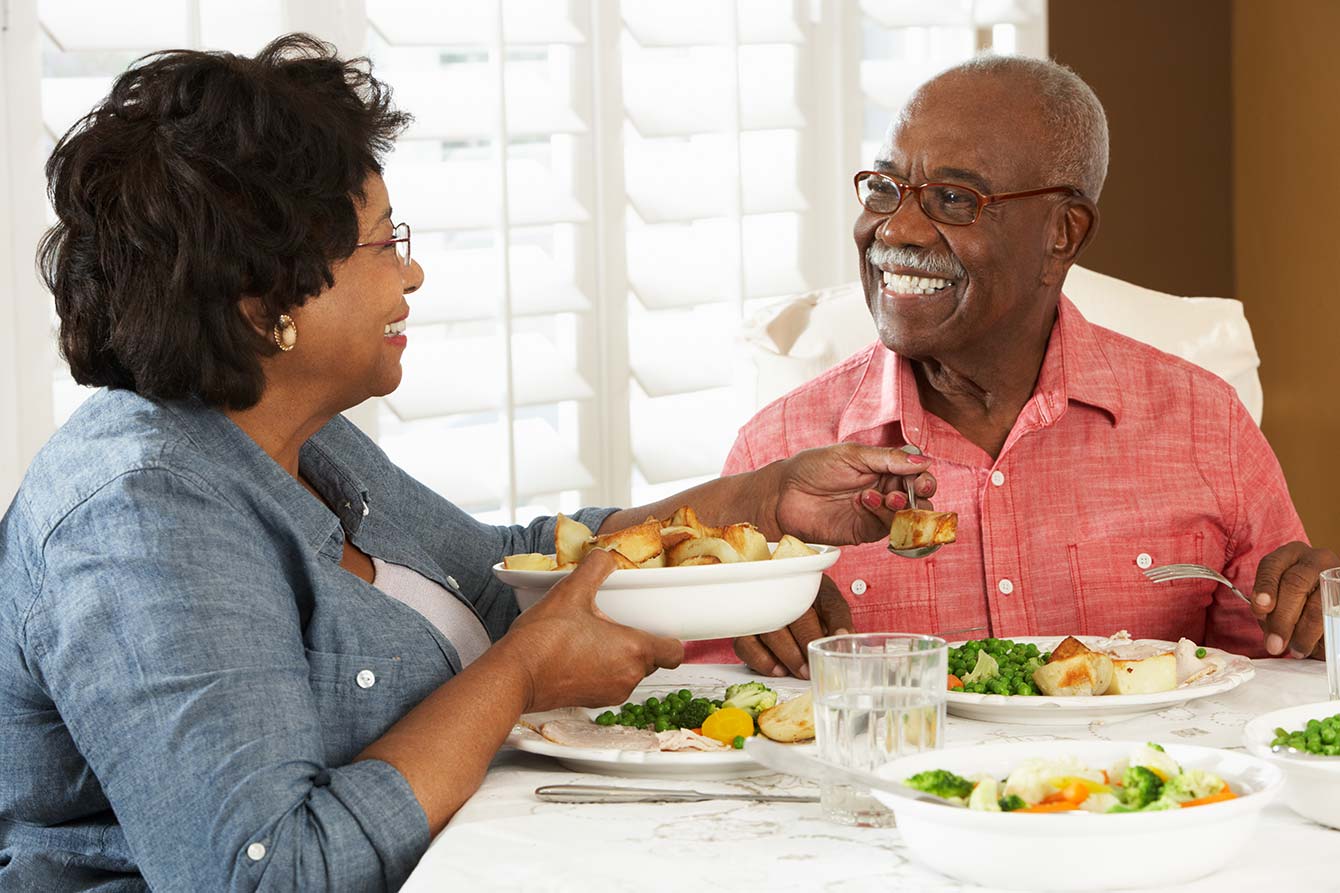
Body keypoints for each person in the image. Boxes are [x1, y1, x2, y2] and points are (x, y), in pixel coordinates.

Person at [0, 36, 936, 891]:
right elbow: (263, 876)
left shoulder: (295, 437)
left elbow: (502, 577)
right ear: (261, 301)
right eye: (382, 244)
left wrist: (762, 499)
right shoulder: (138, 518)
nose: (409, 275)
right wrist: (524, 674)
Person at [687, 54, 1337, 675]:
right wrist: (764, 647)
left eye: (952, 198)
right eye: (885, 188)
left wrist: (1315, 613)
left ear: (1064, 234)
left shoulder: (1206, 424)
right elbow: (704, 724)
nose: (896, 230)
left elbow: (1275, 674)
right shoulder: (775, 454)